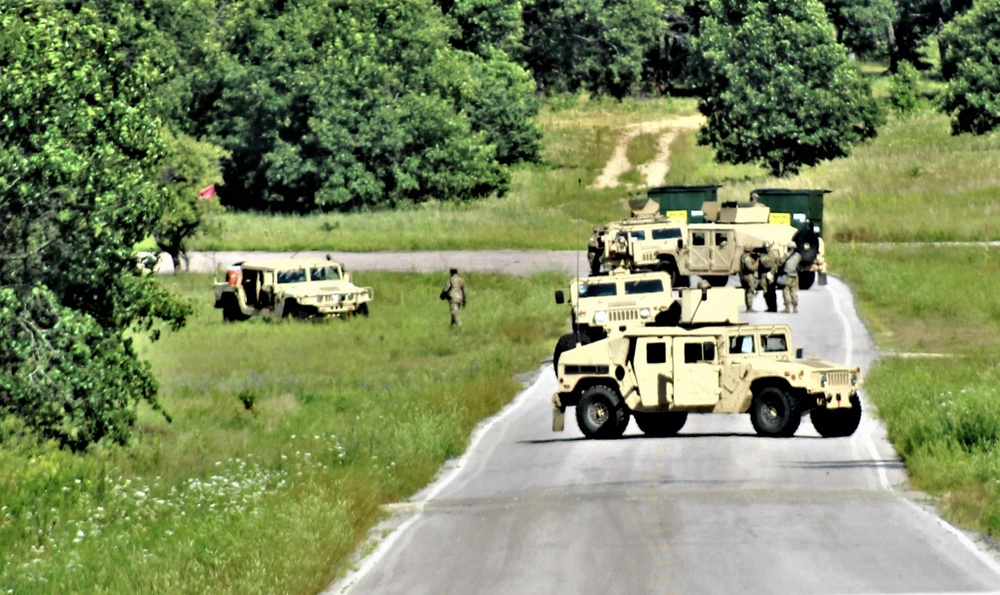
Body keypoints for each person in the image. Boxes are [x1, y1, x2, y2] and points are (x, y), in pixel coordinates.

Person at [757, 240, 781, 312]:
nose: (767, 248)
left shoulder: (774, 254)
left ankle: (774, 307)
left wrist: (774, 270)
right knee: (765, 291)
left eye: (768, 247)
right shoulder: (761, 255)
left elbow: (778, 263)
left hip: (771, 273)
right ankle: (769, 306)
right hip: (763, 274)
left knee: (772, 291)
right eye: (765, 247)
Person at [781, 241, 801, 313]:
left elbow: (780, 262)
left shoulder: (786, 255)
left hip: (787, 275)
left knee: (786, 291)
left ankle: (787, 307)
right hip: (795, 276)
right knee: (794, 291)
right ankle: (795, 307)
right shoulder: (798, 256)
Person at [739, 245, 759, 312]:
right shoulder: (747, 258)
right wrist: (756, 265)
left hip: (745, 276)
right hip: (749, 276)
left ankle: (749, 306)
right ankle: (749, 307)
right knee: (750, 291)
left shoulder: (743, 257)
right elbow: (750, 268)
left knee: (747, 291)